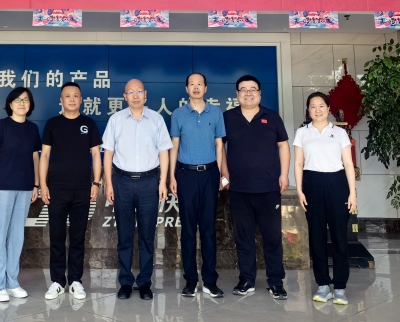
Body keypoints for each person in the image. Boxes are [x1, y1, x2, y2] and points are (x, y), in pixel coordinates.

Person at [102, 79, 172, 301]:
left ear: (145, 94)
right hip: (121, 182)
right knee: (124, 236)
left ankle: (144, 282)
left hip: (149, 182)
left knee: (147, 236)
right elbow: (108, 154)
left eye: (139, 91)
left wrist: (162, 182)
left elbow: (164, 152)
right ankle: (125, 281)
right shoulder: (116, 120)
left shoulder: (156, 119)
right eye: (130, 92)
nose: (135, 95)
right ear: (125, 97)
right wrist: (109, 183)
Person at [222, 75, 290, 300]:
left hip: (268, 188)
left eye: (253, 89)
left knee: (272, 238)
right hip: (239, 189)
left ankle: (276, 282)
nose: (248, 93)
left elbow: (283, 146)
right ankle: (247, 279)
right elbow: (219, 147)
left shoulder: (272, 117)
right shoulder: (227, 117)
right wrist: (224, 174)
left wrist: (284, 174)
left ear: (260, 93)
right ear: (237, 94)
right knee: (243, 238)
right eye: (243, 89)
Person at [40, 82, 103, 301]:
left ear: (81, 99)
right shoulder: (52, 124)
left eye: (76, 95)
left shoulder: (88, 123)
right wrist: (43, 185)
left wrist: (96, 183)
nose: (72, 99)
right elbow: (44, 156)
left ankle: (76, 281)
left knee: (77, 237)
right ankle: (57, 282)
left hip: (82, 189)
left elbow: (96, 155)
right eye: (68, 96)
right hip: (56, 188)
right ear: (61, 100)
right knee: (56, 236)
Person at [294, 92, 356, 306]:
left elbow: (348, 164)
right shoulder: (302, 133)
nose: (317, 110)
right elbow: (298, 163)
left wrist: (352, 192)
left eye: (321, 106)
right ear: (308, 110)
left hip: (337, 184)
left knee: (339, 237)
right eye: (313, 106)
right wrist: (300, 190)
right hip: (312, 184)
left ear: (329, 109)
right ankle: (322, 285)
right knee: (317, 236)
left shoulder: (339, 133)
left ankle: (339, 287)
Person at [169, 73, 227, 298]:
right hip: (186, 175)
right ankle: (191, 280)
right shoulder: (178, 114)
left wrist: (220, 174)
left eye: (199, 84)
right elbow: (174, 146)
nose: (195, 87)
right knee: (188, 230)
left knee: (209, 229)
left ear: (206, 88)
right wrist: (172, 176)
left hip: (210, 174)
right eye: (191, 84)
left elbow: (219, 145)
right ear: (186, 89)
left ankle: (210, 281)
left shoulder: (216, 113)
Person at [0, 87, 40, 303]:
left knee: (17, 236)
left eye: (25, 100)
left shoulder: (33, 129)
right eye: (17, 100)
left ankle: (12, 282)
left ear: (30, 105)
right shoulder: (1, 125)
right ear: (10, 104)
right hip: (3, 187)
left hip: (25, 187)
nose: (21, 103)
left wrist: (36, 184)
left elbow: (35, 157)